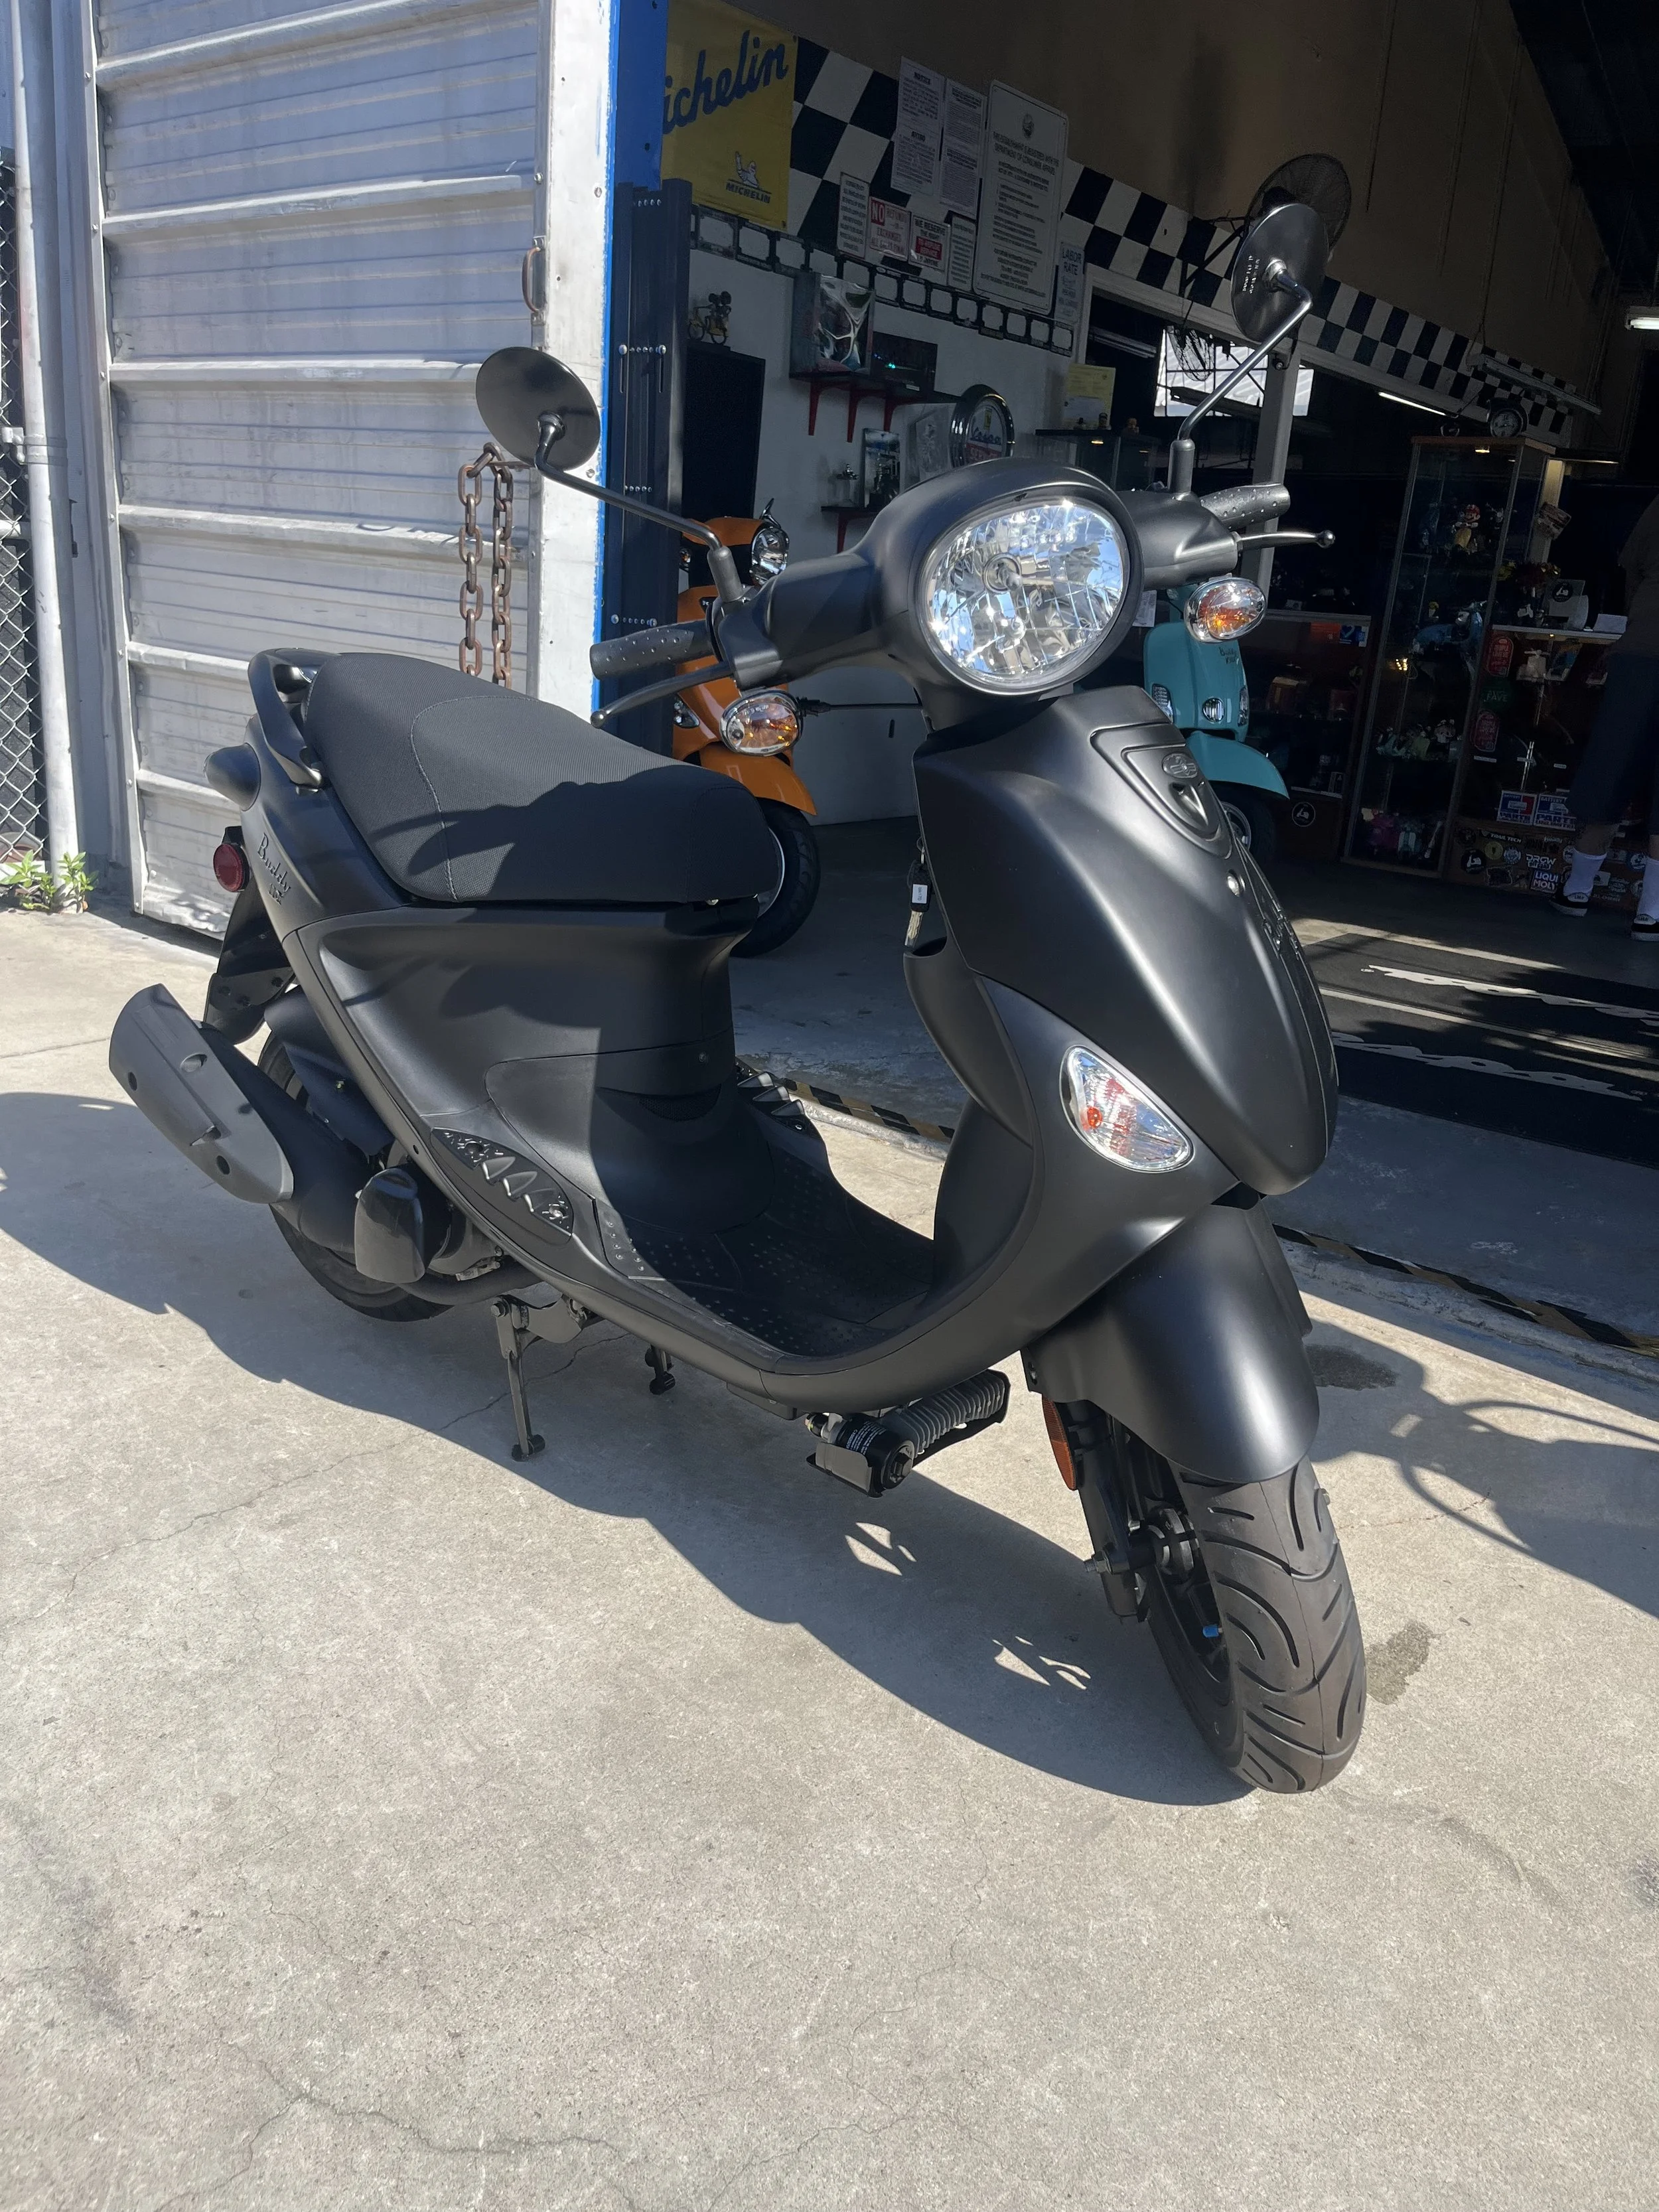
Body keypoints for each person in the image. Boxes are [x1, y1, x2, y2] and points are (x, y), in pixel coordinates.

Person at [1553, 491, 1659, 939]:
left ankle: (1577, 889)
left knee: (1612, 761)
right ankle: (1652, 913)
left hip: (1643, 647)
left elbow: (1631, 567)